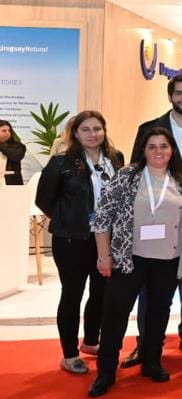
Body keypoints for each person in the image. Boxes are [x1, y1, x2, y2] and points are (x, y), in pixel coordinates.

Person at [87, 127, 182, 397]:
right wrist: (104, 255)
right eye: (152, 146)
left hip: (168, 258)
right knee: (115, 314)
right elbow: (102, 217)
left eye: (164, 146)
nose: (158, 151)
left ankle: (152, 362)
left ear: (172, 150)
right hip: (129, 258)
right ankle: (106, 371)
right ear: (143, 150)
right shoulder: (127, 176)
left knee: (159, 312)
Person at [120, 73, 182, 367]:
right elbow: (136, 171)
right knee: (149, 286)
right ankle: (146, 343)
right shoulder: (149, 128)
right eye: (179, 93)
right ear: (170, 96)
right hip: (155, 217)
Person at [36, 110, 124, 374]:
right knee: (72, 294)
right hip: (72, 240)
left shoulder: (115, 158)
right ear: (75, 133)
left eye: (97, 129)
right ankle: (70, 354)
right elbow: (44, 200)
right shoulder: (61, 162)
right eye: (85, 129)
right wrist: (68, 219)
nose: (92, 134)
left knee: (101, 293)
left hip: (107, 239)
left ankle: (92, 341)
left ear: (104, 131)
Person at [0, 119, 26, 185]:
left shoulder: (18, 146)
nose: (7, 133)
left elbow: (16, 157)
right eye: (4, 131)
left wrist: (1, 145)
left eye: (9, 131)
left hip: (12, 182)